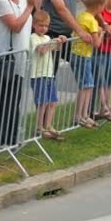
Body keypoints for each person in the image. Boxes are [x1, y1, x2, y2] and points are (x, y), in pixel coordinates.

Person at [0, 0, 47, 149]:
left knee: (15, 99)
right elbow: (16, 26)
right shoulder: (1, 1)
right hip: (6, 60)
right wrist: (30, 6)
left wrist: (37, 1)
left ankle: (12, 137)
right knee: (5, 100)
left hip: (21, 58)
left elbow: (33, 19)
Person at [42, 0, 111, 75]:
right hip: (52, 33)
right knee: (50, 73)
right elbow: (61, 9)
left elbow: (91, 3)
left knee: (86, 65)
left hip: (68, 34)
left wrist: (104, 24)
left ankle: (89, 88)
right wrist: (80, 31)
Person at [29, 10, 68, 140]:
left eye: (46, 26)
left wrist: (60, 41)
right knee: (42, 102)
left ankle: (49, 125)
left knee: (52, 101)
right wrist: (53, 42)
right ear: (34, 25)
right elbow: (41, 50)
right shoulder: (33, 38)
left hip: (49, 74)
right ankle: (40, 127)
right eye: (41, 25)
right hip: (38, 75)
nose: (43, 28)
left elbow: (56, 49)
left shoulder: (46, 38)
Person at [70, 0, 105, 129]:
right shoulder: (91, 21)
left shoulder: (81, 15)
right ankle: (80, 115)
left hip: (78, 54)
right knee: (86, 86)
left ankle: (84, 115)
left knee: (88, 85)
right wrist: (101, 33)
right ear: (99, 6)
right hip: (83, 56)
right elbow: (97, 44)